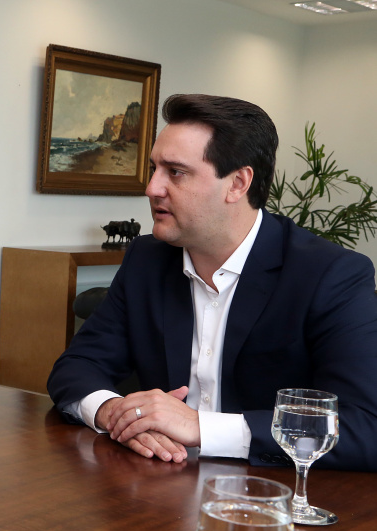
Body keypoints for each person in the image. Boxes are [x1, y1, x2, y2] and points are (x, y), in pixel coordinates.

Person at [47, 94, 377, 472]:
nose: (152, 188)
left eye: (175, 172)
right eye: (154, 168)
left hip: (272, 492)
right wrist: (116, 413)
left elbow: (365, 426)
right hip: (158, 482)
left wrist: (201, 427)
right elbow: (76, 366)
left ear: (237, 183)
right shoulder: (146, 260)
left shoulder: (330, 275)